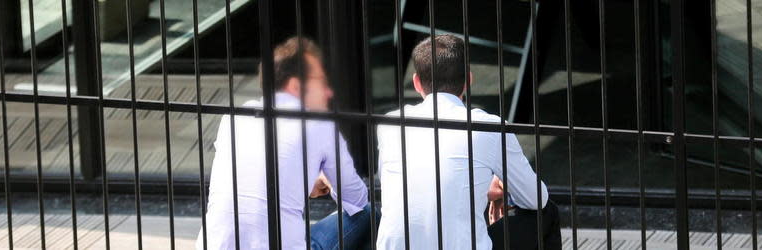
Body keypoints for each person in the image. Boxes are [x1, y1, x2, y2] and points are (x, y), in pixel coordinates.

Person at [375, 34, 561, 249]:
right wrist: (503, 187)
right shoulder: (488, 126)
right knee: (548, 212)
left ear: (416, 82)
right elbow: (536, 199)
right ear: (468, 80)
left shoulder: (390, 124)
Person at [197, 37, 375, 250]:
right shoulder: (319, 125)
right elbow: (356, 200)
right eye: (320, 81)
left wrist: (307, 177)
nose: (329, 92)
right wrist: (325, 177)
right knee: (370, 215)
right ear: (296, 86)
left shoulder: (235, 117)